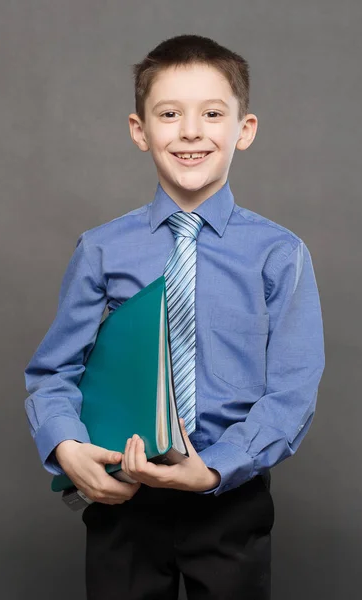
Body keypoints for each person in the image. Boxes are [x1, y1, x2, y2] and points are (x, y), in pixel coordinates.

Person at [24, 34, 325, 600]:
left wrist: (215, 469)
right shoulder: (102, 249)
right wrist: (66, 446)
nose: (190, 131)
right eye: (169, 114)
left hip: (230, 498)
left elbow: (293, 390)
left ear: (245, 129)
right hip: (124, 498)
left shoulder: (280, 255)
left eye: (212, 113)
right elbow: (53, 372)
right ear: (140, 131)